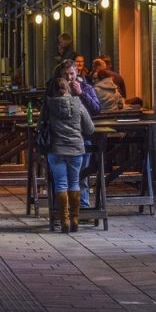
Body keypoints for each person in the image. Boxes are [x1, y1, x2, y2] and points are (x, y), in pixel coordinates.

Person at [43, 68, 95, 233]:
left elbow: (40, 127)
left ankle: (63, 220)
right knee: (74, 183)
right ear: (69, 88)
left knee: (60, 184)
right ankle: (75, 219)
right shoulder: (78, 104)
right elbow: (90, 129)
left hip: (56, 150)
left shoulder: (48, 106)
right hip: (76, 149)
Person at [59, 59, 99, 209]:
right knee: (62, 174)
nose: (70, 77)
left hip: (83, 138)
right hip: (62, 139)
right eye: (66, 74)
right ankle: (63, 208)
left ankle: (82, 205)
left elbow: (96, 108)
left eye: (72, 73)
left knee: (82, 173)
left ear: (77, 72)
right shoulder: (57, 89)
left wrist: (81, 94)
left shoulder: (86, 88)